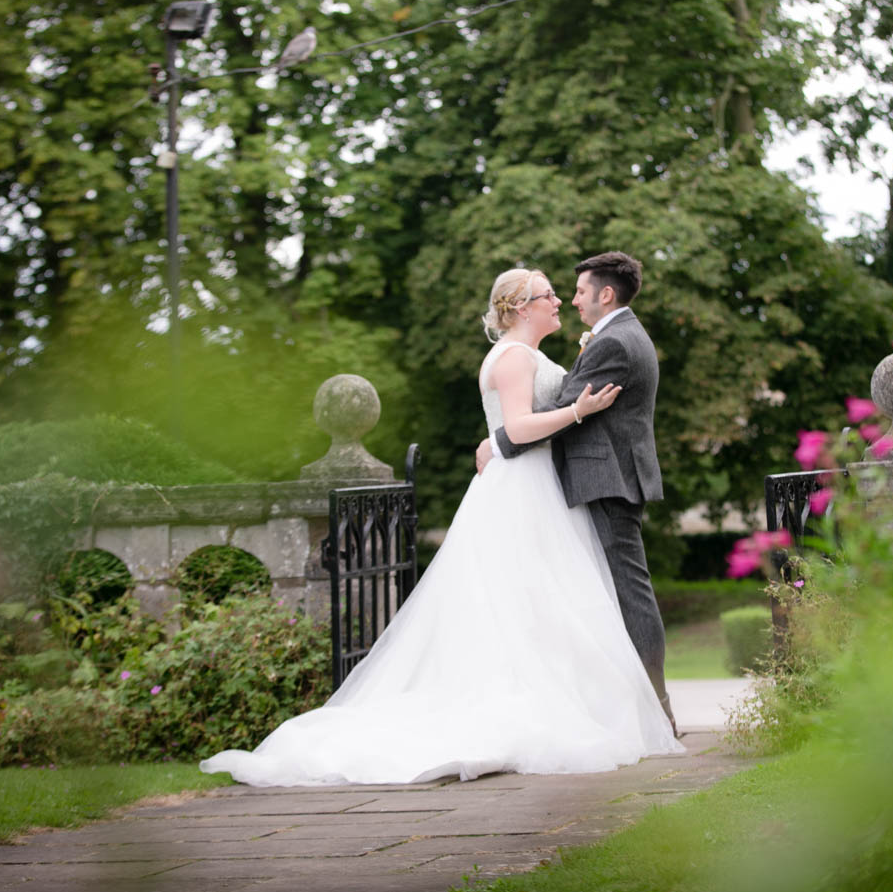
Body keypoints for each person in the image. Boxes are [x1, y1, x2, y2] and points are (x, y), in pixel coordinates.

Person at [199, 268, 682, 787]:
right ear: (522, 307)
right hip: (522, 488)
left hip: (537, 483)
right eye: (548, 295)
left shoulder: (530, 355)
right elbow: (519, 427)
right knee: (530, 599)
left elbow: (519, 425)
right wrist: (576, 412)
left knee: (545, 602)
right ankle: (534, 710)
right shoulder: (515, 357)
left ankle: (574, 701)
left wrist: (513, 435)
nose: (559, 300)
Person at [477, 252, 676, 732]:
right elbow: (563, 407)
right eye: (552, 294)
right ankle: (632, 707)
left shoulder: (614, 342)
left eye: (580, 290)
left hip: (605, 478)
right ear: (521, 307)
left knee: (625, 592)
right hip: (568, 481)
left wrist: (496, 443)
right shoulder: (610, 337)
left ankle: (655, 706)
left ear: (606, 294)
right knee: (580, 594)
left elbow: (566, 407)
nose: (569, 299)